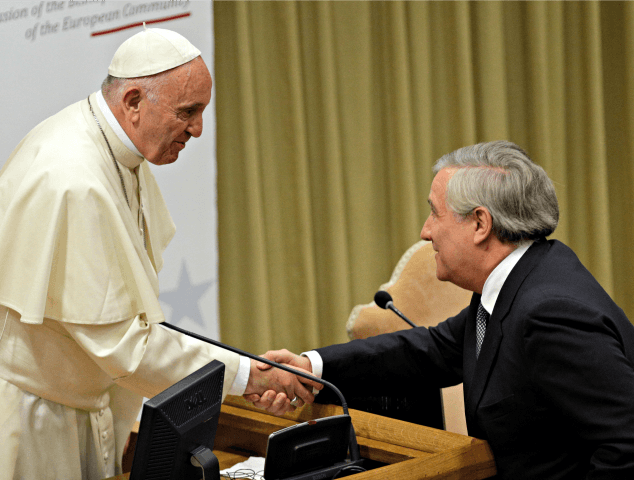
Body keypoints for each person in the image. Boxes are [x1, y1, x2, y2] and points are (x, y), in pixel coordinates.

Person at [0, 27, 316, 480]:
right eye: (188, 112)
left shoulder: (119, 151)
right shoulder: (72, 179)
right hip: (36, 424)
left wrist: (246, 373)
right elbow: (125, 343)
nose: (199, 129)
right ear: (133, 102)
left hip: (84, 407)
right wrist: (249, 377)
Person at [248, 141, 634, 479]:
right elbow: (432, 350)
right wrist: (311, 368)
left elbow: (625, 445)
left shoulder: (549, 314)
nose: (425, 231)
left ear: (480, 223)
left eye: (435, 212)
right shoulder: (520, 278)